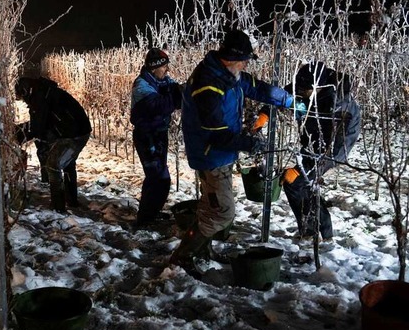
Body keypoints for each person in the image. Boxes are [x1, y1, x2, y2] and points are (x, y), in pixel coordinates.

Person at [171, 29, 305, 268]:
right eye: (245, 60)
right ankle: (183, 256)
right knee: (222, 212)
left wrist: (289, 101)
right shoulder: (208, 85)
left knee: (210, 206)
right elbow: (216, 133)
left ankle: (202, 252)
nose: (246, 65)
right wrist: (249, 143)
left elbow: (258, 88)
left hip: (220, 153)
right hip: (211, 155)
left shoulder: (227, 74)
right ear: (234, 58)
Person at [254, 62, 361, 240]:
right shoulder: (311, 82)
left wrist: (300, 168)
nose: (300, 92)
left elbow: (327, 147)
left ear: (318, 87)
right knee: (303, 183)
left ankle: (316, 233)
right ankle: (317, 232)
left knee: (297, 181)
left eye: (304, 90)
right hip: (315, 132)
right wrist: (266, 112)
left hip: (334, 145)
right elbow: (290, 91)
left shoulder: (336, 105)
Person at [15, 76, 91, 213]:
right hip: (73, 131)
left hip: (74, 134)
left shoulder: (40, 97)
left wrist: (17, 135)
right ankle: (71, 200)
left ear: (25, 91)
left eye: (21, 97)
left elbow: (38, 127)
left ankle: (58, 207)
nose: (23, 101)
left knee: (53, 166)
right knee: (67, 164)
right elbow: (40, 124)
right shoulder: (44, 92)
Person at [130, 48, 183, 227]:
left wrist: (181, 91)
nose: (167, 70)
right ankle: (145, 218)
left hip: (158, 134)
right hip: (147, 136)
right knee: (157, 177)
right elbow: (158, 106)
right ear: (154, 68)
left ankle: (152, 213)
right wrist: (176, 98)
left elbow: (175, 88)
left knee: (160, 177)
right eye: (164, 67)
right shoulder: (141, 86)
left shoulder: (161, 81)